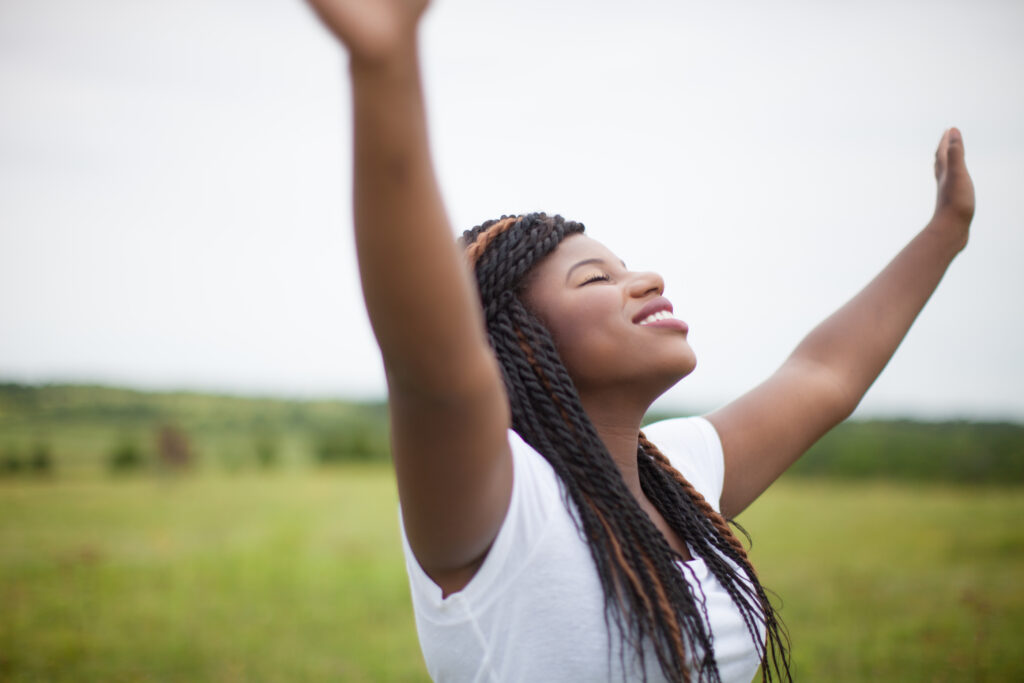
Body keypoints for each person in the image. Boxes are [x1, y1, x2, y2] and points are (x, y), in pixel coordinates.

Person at [303, 1, 976, 681]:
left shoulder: (675, 469)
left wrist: (945, 232)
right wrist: (384, 66)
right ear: (521, 341)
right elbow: (430, 358)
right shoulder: (504, 501)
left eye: (627, 267)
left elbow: (824, 373)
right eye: (596, 277)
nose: (646, 278)